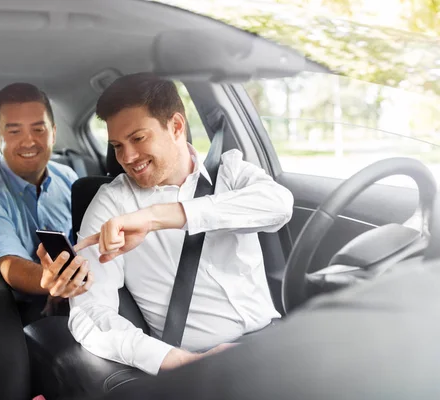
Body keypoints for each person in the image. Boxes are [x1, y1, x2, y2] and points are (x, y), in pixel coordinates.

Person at [37, 73, 294, 375]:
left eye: (138, 138)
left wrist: (155, 217)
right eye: (118, 145)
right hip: (201, 365)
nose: (128, 157)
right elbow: (91, 315)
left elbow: (279, 205)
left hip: (275, 343)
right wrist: (180, 362)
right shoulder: (112, 204)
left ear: (175, 127)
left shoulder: (231, 171)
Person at [0, 82, 93, 323]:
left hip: (83, 299)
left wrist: (72, 284)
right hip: (18, 314)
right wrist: (52, 281)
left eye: (38, 129)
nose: (29, 142)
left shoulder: (69, 178)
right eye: (14, 132)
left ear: (53, 132)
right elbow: (9, 261)